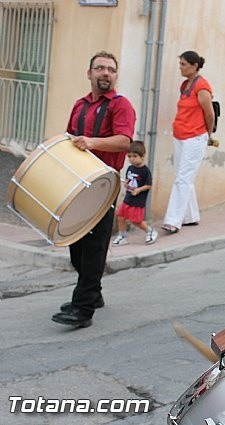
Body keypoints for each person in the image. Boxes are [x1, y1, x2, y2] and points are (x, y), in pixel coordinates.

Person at [52, 51, 136, 328]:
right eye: (99, 68)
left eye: (111, 69)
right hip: (78, 186)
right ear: (89, 73)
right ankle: (94, 294)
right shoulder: (80, 105)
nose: (105, 73)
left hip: (103, 188)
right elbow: (69, 139)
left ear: (115, 75)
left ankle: (83, 307)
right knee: (76, 245)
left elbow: (125, 141)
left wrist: (92, 142)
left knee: (95, 248)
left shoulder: (121, 105)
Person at [161, 50, 216, 234]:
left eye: (184, 64)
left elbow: (209, 114)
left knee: (182, 179)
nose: (181, 68)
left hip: (195, 137)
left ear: (194, 66)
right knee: (183, 176)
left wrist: (207, 135)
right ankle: (190, 216)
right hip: (180, 135)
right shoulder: (185, 85)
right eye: (180, 64)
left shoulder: (202, 87)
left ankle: (172, 221)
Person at [112, 140, 157, 246]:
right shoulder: (130, 168)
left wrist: (138, 190)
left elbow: (149, 185)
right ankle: (123, 236)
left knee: (136, 221)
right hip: (128, 198)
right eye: (129, 156)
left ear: (143, 156)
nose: (131, 159)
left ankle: (150, 231)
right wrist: (126, 184)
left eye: (135, 156)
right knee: (120, 216)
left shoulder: (145, 171)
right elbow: (129, 180)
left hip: (138, 200)